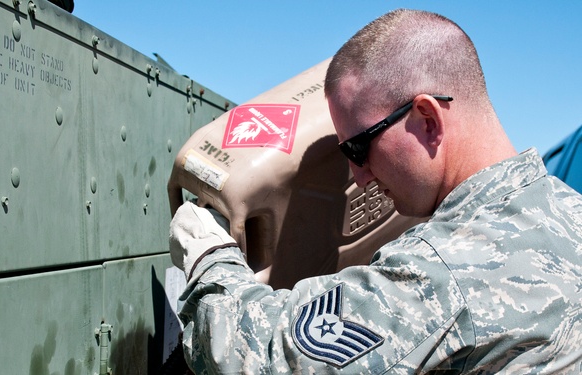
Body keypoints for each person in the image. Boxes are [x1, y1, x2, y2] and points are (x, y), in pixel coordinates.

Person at [168, 9, 582, 374]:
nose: (358, 175)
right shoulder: (570, 211)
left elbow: (260, 358)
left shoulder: (447, 269)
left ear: (427, 119)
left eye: (358, 147)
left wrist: (211, 260)